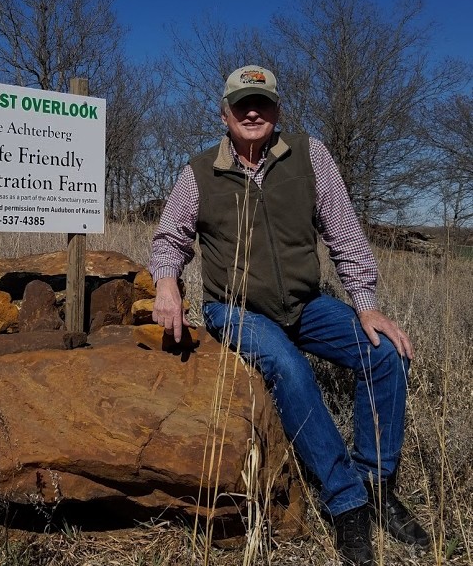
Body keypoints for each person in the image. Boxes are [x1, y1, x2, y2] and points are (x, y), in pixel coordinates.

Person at [149, 65, 429, 566]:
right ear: (224, 115)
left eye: (262, 102)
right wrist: (167, 283)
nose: (252, 112)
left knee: (385, 354)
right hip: (232, 308)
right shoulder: (198, 172)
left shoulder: (308, 155)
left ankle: (377, 484)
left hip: (305, 305)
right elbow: (171, 237)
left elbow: (343, 232)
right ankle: (347, 503)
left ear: (277, 110)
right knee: (289, 368)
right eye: (241, 105)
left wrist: (366, 306)